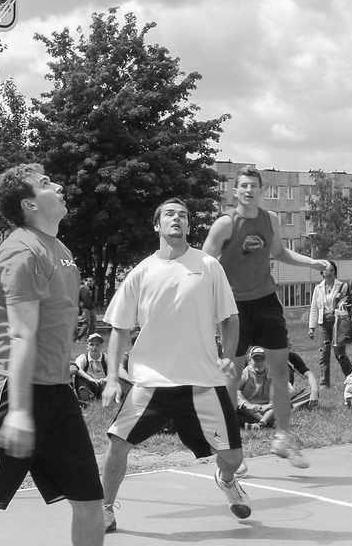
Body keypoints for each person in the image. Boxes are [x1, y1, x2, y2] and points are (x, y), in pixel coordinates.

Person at [0, 165, 103, 546]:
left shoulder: (60, 251)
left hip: (56, 389)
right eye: (46, 183)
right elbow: (22, 334)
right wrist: (22, 413)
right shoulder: (22, 252)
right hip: (9, 387)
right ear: (29, 204)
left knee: (91, 501)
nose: (58, 185)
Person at [101, 197, 247, 533]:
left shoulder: (208, 265)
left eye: (183, 215)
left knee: (233, 458)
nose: (176, 218)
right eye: (169, 214)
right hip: (151, 381)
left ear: (188, 226)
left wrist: (228, 355)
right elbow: (119, 328)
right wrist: (111, 378)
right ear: (157, 225)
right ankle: (104, 508)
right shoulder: (141, 272)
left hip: (202, 380)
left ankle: (226, 480)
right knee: (117, 443)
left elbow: (230, 317)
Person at [202, 165, 328, 469]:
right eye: (243, 186)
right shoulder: (225, 224)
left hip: (267, 301)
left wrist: (311, 263)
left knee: (280, 372)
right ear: (235, 192)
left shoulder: (270, 219)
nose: (249, 190)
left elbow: (280, 252)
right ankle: (229, 447)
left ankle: (282, 437)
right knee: (232, 376)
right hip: (234, 306)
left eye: (254, 186)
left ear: (261, 190)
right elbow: (204, 263)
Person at [308, 260, 352, 387]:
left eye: (331, 270)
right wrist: (311, 327)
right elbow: (314, 308)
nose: (329, 273)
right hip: (323, 323)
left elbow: (348, 301)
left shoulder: (342, 286)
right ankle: (324, 383)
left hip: (338, 322)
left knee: (340, 354)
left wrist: (345, 304)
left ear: (335, 272)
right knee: (324, 353)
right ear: (322, 273)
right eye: (326, 270)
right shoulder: (318, 288)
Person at [71, 332, 107, 402]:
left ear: (101, 346)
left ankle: (104, 393)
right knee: (80, 377)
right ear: (87, 346)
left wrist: (106, 379)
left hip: (103, 383)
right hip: (88, 383)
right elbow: (77, 369)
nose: (94, 347)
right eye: (91, 345)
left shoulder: (106, 357)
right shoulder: (83, 357)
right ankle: (85, 393)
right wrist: (91, 379)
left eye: (97, 344)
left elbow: (114, 370)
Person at [76, 276, 96, 342]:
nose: (89, 282)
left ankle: (89, 338)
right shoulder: (82, 288)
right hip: (85, 307)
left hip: (92, 307)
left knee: (93, 324)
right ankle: (79, 337)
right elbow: (78, 297)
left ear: (93, 281)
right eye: (88, 281)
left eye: (90, 281)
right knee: (87, 323)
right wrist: (80, 304)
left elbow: (96, 297)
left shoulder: (96, 288)